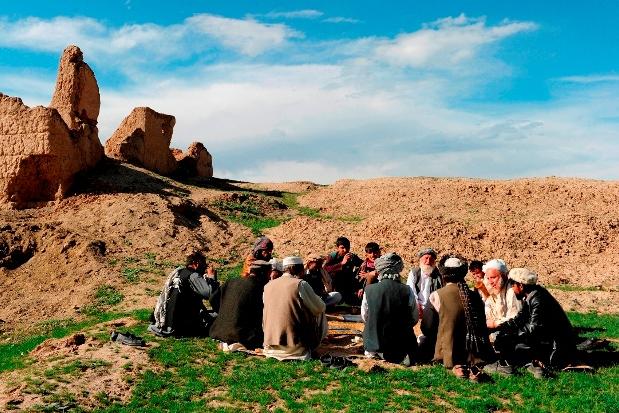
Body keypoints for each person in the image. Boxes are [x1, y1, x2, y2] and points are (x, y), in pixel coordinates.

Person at [493, 268, 577, 378]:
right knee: (506, 342)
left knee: (515, 347)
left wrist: (512, 335)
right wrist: (502, 328)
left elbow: (534, 329)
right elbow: (520, 319)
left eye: (513, 285)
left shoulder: (538, 299)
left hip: (557, 347)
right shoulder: (532, 296)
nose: (512, 289)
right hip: (549, 341)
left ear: (521, 286)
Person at [427, 254, 494, 379]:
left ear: (444, 275)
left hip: (448, 350)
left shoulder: (436, 295)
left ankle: (454, 362)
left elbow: (427, 326)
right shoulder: (474, 296)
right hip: (476, 351)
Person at [263, 256, 328, 361]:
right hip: (296, 348)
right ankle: (312, 344)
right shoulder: (300, 284)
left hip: (271, 346)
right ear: (298, 269)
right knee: (319, 311)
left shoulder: (268, 285)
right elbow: (320, 307)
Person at [361, 252, 418, 365]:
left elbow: (364, 316)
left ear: (379, 271)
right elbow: (414, 318)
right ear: (398, 270)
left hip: (373, 347)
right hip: (402, 347)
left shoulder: (369, 290)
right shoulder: (407, 290)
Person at [149, 251, 219, 337]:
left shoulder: (180, 273)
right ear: (196, 263)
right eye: (203, 264)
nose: (205, 267)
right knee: (220, 316)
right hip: (181, 326)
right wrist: (212, 277)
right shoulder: (193, 276)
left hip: (169, 322)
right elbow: (209, 294)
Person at [209, 260, 272, 351]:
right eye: (269, 274)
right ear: (264, 273)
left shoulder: (231, 282)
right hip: (241, 336)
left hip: (218, 332)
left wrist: (224, 312)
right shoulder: (261, 287)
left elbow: (212, 299)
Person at [405, 247, 442, 360]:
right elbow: (410, 291)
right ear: (420, 260)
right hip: (417, 304)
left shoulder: (439, 274)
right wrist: (417, 305)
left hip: (433, 306)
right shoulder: (414, 272)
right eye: (426, 258)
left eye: (431, 259)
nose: (428, 261)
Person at [482, 259, 521, 332]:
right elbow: (488, 311)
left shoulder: (512, 290)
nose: (490, 282)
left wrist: (495, 324)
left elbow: (514, 317)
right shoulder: (492, 289)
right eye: (488, 278)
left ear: (504, 276)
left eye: (493, 277)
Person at [324, 237, 363, 305]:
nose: (345, 250)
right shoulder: (332, 257)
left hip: (348, 283)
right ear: (337, 248)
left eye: (347, 248)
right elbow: (325, 269)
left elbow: (362, 263)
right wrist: (341, 263)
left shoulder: (351, 256)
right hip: (335, 284)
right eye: (342, 248)